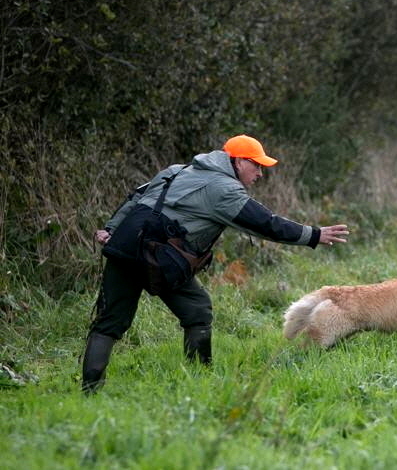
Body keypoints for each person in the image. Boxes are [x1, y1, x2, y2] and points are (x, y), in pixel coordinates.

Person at [81, 134, 349, 394]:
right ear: (239, 161)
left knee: (110, 322)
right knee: (197, 311)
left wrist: (111, 228)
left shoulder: (177, 170)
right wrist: (314, 235)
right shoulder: (224, 190)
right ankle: (199, 377)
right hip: (160, 259)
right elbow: (266, 224)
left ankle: (90, 391)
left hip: (124, 249)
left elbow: (136, 198)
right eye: (257, 165)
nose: (260, 173)